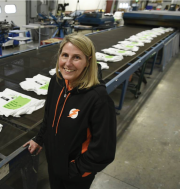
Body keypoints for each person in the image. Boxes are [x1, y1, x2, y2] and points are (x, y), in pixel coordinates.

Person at [23, 33, 116, 189]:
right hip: (54, 164)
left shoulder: (98, 99)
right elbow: (49, 117)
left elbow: (104, 150)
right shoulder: (57, 82)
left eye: (77, 57)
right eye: (65, 55)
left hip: (76, 175)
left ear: (88, 62)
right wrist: (40, 139)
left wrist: (76, 169)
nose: (68, 63)